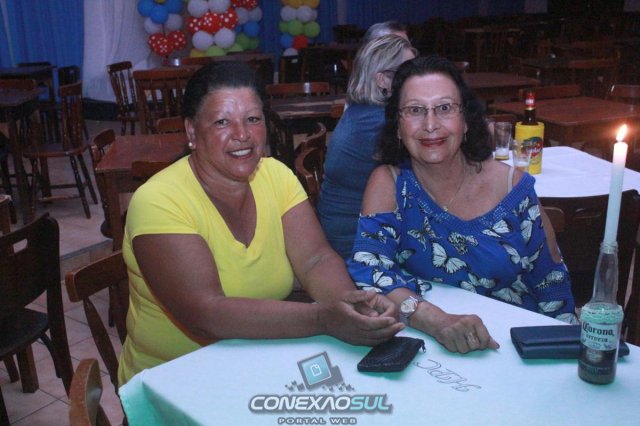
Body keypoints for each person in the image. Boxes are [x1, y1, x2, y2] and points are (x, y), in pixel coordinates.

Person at [117, 62, 403, 386]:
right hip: (172, 381)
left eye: (253, 119)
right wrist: (323, 318)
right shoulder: (159, 200)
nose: (242, 134)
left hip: (257, 361)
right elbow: (204, 314)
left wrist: (349, 306)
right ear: (192, 132)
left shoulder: (275, 175)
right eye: (222, 122)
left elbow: (315, 259)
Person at [347, 56, 578, 354]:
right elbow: (369, 270)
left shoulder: (511, 188)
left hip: (514, 346)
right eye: (415, 110)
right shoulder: (390, 184)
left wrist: (564, 353)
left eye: (445, 108)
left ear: (466, 120)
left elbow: (552, 284)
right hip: (434, 351)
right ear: (397, 126)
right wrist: (436, 321)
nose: (431, 125)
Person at [318, 35, 416, 259]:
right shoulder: (379, 122)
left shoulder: (362, 111)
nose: (419, 77)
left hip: (345, 229)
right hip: (356, 243)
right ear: (383, 80)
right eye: (409, 71)